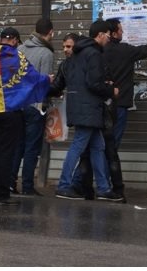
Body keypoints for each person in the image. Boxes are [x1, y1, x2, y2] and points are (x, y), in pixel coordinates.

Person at [0, 27, 51, 206]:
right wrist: (47, 79)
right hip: (9, 111)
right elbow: (30, 77)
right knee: (5, 152)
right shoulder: (15, 56)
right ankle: (2, 194)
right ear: (15, 41)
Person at [55, 21, 122, 202]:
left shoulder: (77, 54)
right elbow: (93, 83)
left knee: (97, 147)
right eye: (108, 35)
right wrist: (111, 90)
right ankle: (63, 186)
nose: (109, 39)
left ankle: (103, 188)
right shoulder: (93, 54)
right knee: (78, 145)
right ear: (100, 35)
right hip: (88, 107)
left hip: (83, 106)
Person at [103, 14, 147, 150]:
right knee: (113, 144)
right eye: (120, 30)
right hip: (119, 104)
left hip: (99, 104)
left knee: (99, 143)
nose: (123, 32)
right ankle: (108, 170)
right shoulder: (124, 50)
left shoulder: (98, 51)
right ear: (113, 34)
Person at [11, 18, 56, 196]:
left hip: (17, 104)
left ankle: (10, 182)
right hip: (35, 106)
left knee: (18, 145)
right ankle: (28, 186)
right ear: (50, 32)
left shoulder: (20, 49)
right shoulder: (46, 54)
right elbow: (44, 82)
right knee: (31, 147)